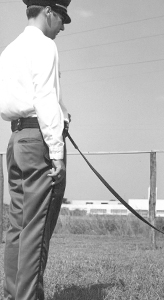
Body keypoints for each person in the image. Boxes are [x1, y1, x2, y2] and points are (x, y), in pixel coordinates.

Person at [0, 1, 72, 299]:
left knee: (17, 227)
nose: (63, 27)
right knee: (35, 229)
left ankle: (13, 293)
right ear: (49, 13)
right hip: (38, 140)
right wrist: (56, 150)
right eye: (62, 19)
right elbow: (43, 97)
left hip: (15, 139)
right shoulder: (44, 46)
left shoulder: (9, 49)